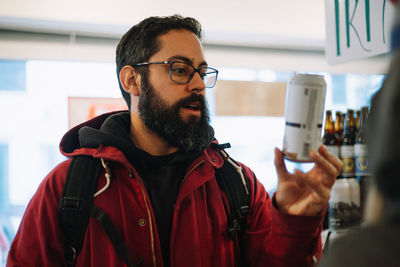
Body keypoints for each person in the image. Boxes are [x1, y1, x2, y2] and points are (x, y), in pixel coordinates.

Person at [7, 15, 341, 267]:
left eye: (201, 71)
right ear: (132, 79)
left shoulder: (237, 185)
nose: (197, 84)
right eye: (179, 70)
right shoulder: (68, 188)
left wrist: (294, 222)